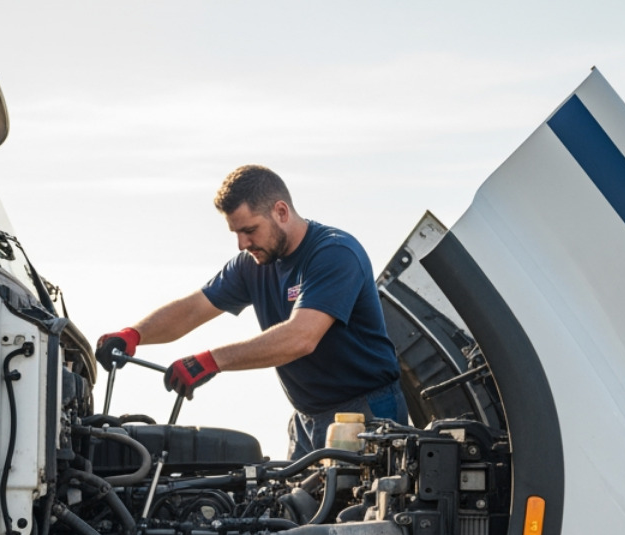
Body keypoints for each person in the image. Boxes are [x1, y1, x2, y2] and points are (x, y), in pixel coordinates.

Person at [96, 165, 406, 458]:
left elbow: (301, 337)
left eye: (250, 230)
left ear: (281, 212)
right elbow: (193, 309)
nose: (242, 244)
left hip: (366, 414)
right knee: (294, 512)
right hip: (306, 418)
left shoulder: (335, 253)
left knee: (354, 513)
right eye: (236, 233)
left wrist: (210, 361)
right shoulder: (252, 265)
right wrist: (133, 334)